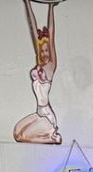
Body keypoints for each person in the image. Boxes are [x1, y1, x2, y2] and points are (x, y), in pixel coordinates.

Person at [14, 0, 62, 145]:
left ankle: (52, 136)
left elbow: (52, 34)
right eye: (42, 50)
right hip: (39, 113)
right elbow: (32, 28)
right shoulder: (39, 64)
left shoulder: (50, 67)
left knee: (22, 136)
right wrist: (27, 3)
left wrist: (51, 7)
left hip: (47, 117)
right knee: (17, 133)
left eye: (47, 50)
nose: (44, 53)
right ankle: (50, 136)